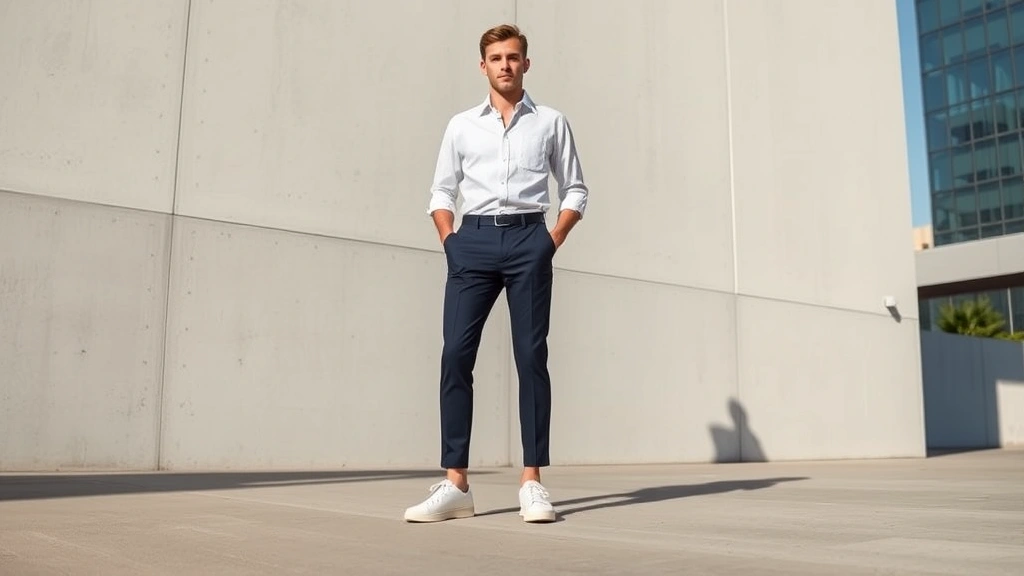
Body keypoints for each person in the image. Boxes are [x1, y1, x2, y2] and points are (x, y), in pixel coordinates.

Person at [403, 24, 589, 523]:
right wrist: (451, 242)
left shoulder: (551, 122)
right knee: (455, 355)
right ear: (482, 66)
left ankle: (532, 481)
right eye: (495, 58)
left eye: (513, 57)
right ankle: (456, 483)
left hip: (530, 239)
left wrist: (551, 240)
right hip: (473, 243)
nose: (504, 64)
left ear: (526, 64)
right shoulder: (462, 125)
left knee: (531, 357)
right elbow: (441, 192)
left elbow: (575, 189)